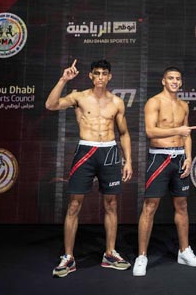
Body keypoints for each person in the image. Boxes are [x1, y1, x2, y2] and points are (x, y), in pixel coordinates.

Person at [45, 59, 133, 278]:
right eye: (97, 73)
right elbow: (51, 105)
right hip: (86, 151)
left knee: (111, 204)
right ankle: (68, 257)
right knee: (74, 204)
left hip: (109, 152)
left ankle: (110, 254)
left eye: (104, 73)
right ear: (91, 76)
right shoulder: (79, 97)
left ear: (109, 76)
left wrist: (128, 161)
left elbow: (124, 133)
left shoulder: (117, 102)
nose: (100, 77)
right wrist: (63, 79)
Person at [133, 67, 196, 276]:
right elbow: (150, 131)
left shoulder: (183, 105)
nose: (174, 81)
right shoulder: (154, 102)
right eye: (171, 78)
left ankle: (184, 251)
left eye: (177, 79)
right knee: (150, 206)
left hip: (179, 157)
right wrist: (177, 130)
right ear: (163, 81)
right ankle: (142, 256)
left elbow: (187, 134)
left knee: (182, 205)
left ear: (181, 82)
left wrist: (189, 158)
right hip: (159, 158)